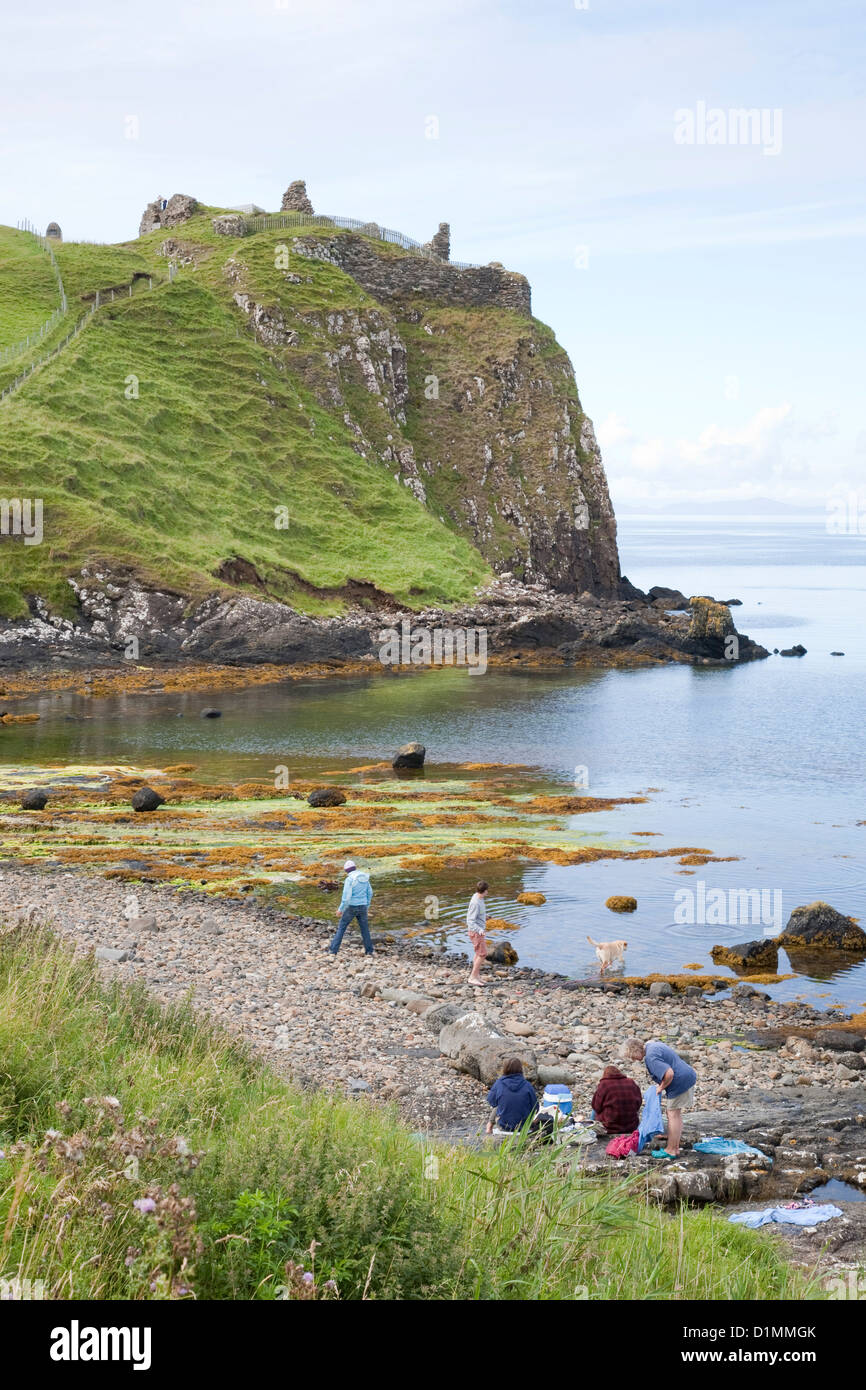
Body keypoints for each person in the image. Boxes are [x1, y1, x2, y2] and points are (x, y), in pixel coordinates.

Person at [624, 1037, 697, 1158]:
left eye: (631, 1056)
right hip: (687, 1076)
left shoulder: (650, 1057)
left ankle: (672, 1150)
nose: (632, 1060)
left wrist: (661, 1087)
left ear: (635, 1050)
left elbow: (669, 1074)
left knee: (672, 1114)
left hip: (680, 1081)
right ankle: (674, 1144)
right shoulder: (652, 1045)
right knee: (675, 1114)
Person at [328, 859, 373, 957]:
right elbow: (370, 893)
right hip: (363, 906)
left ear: (347, 871)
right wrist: (367, 905)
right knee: (365, 929)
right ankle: (369, 951)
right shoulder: (365, 877)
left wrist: (341, 909)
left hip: (351, 907)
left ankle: (333, 950)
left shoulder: (349, 879)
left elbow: (346, 897)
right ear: (355, 868)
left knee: (342, 928)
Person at [486, 1058, 539, 1134]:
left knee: (498, 1106)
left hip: (504, 1126)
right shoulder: (527, 1085)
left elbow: (492, 1102)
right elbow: (535, 1108)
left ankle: (489, 1126)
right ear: (520, 1069)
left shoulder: (499, 1083)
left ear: (505, 1069)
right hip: (524, 1126)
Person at [590, 1064, 642, 1135]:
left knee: (595, 1105)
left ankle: (590, 1129)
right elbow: (638, 1103)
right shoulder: (631, 1082)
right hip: (631, 1126)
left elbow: (597, 1107)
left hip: (610, 1127)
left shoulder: (604, 1084)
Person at [466, 879, 489, 985]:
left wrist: (485, 917)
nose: (487, 892)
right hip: (476, 932)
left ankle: (477, 976)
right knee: (483, 954)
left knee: (478, 953)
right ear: (484, 891)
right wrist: (479, 930)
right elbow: (470, 920)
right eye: (487, 890)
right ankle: (472, 977)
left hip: (478, 930)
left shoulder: (478, 897)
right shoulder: (475, 902)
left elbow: (478, 914)